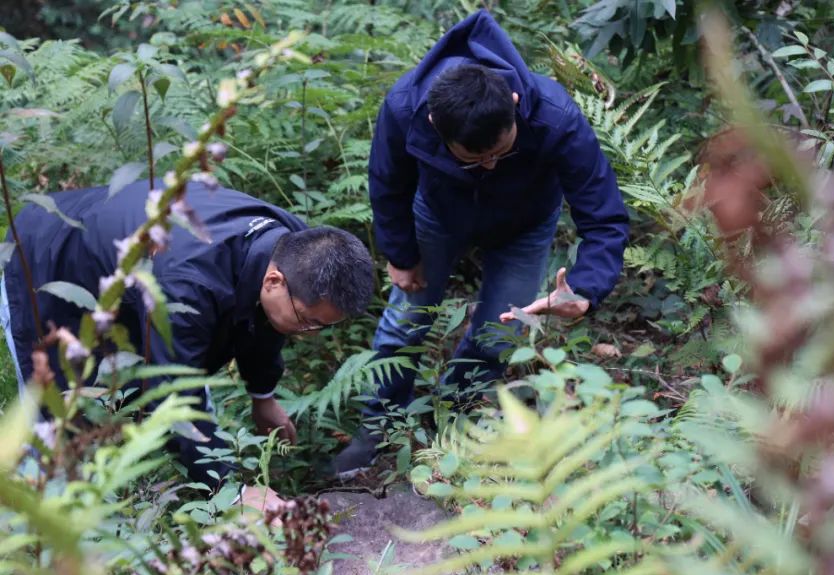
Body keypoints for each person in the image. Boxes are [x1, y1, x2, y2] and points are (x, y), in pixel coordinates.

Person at [332, 10, 630, 476]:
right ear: (435, 123)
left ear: (513, 102)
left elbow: (604, 213)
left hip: (525, 223)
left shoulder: (554, 116)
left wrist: (586, 288)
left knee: (503, 330)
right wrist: (402, 254)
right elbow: (387, 182)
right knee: (403, 324)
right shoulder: (406, 105)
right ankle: (378, 426)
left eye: (501, 151)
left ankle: (454, 419)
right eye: (476, 157)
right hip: (438, 216)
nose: (491, 164)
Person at [2, 179, 374, 494]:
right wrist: (234, 494)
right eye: (308, 321)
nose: (309, 334)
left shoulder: (294, 245)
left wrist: (263, 395)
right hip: (43, 263)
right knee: (54, 418)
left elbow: (264, 320)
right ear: (274, 280)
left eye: (323, 327)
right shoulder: (189, 286)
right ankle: (37, 539)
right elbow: (177, 392)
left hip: (131, 270)